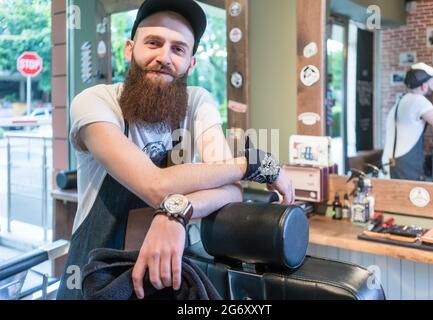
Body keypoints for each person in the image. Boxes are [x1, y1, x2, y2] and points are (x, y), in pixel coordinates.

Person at [56, 0, 295, 300]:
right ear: (130, 49)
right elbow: (155, 186)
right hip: (93, 282)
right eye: (153, 43)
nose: (164, 57)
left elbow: (233, 191)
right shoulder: (95, 103)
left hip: (164, 282)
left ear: (190, 63)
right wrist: (251, 165)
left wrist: (176, 215)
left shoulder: (197, 102)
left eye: (178, 49)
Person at [382, 62, 433, 181]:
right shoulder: (419, 101)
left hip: (392, 163)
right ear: (424, 86)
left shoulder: (404, 101)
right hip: (404, 167)